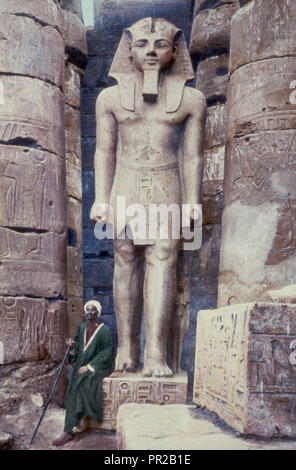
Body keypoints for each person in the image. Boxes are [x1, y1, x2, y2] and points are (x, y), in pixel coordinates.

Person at [90, 18, 206, 377]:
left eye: (160, 44)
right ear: (129, 50)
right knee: (124, 256)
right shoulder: (109, 98)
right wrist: (101, 197)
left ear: (175, 52)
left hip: (167, 180)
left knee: (164, 257)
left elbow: (192, 155)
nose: (152, 51)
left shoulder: (191, 99)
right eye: (142, 44)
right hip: (126, 180)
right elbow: (105, 151)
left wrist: (192, 201)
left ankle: (156, 353)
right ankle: (127, 349)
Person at [52, 300, 113, 446]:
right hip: (80, 368)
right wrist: (72, 347)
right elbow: (78, 348)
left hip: (96, 368)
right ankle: (69, 429)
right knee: (72, 390)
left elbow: (107, 352)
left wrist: (90, 366)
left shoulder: (105, 331)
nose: (90, 313)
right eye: (88, 310)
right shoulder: (82, 328)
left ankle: (75, 424)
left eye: (93, 310)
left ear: (98, 313)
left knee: (83, 385)